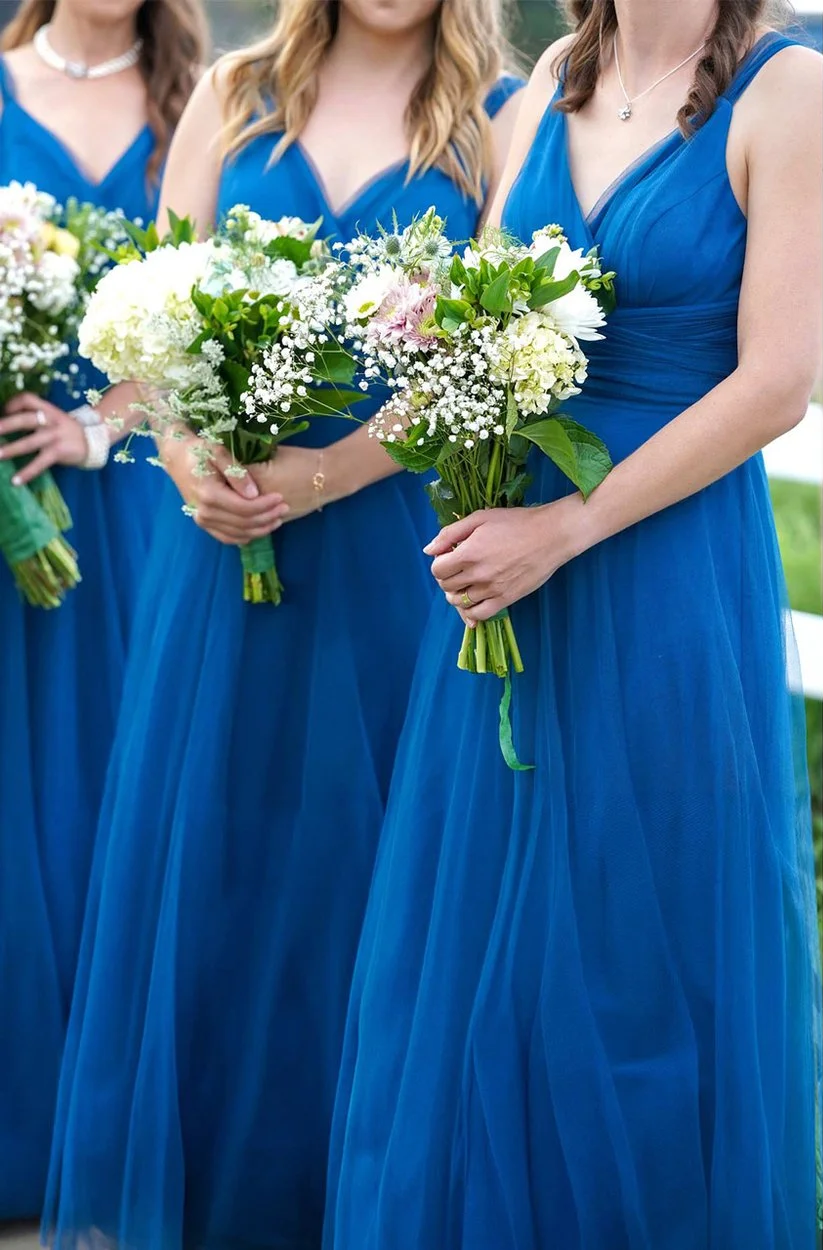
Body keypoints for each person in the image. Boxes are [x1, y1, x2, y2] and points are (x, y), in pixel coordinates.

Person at [326, 1, 821, 1244]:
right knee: (487, 894)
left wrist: (566, 530)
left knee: (628, 905)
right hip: (511, 528)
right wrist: (430, 314)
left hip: (659, 558)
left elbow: (776, 383)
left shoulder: (787, 89)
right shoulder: (550, 73)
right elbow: (495, 299)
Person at [45, 1, 519, 1244]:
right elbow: (146, 325)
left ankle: (344, 1192)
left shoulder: (496, 124)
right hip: (219, 549)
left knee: (369, 877)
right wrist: (189, 449)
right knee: (221, 852)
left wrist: (327, 477)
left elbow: (485, 358)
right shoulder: (237, 91)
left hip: (392, 551)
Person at [0, 0, 203, 1221]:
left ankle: (105, 1131)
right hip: (2, 476)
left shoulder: (201, 98)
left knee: (116, 794)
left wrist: (96, 424)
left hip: (127, 507)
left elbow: (198, 309)